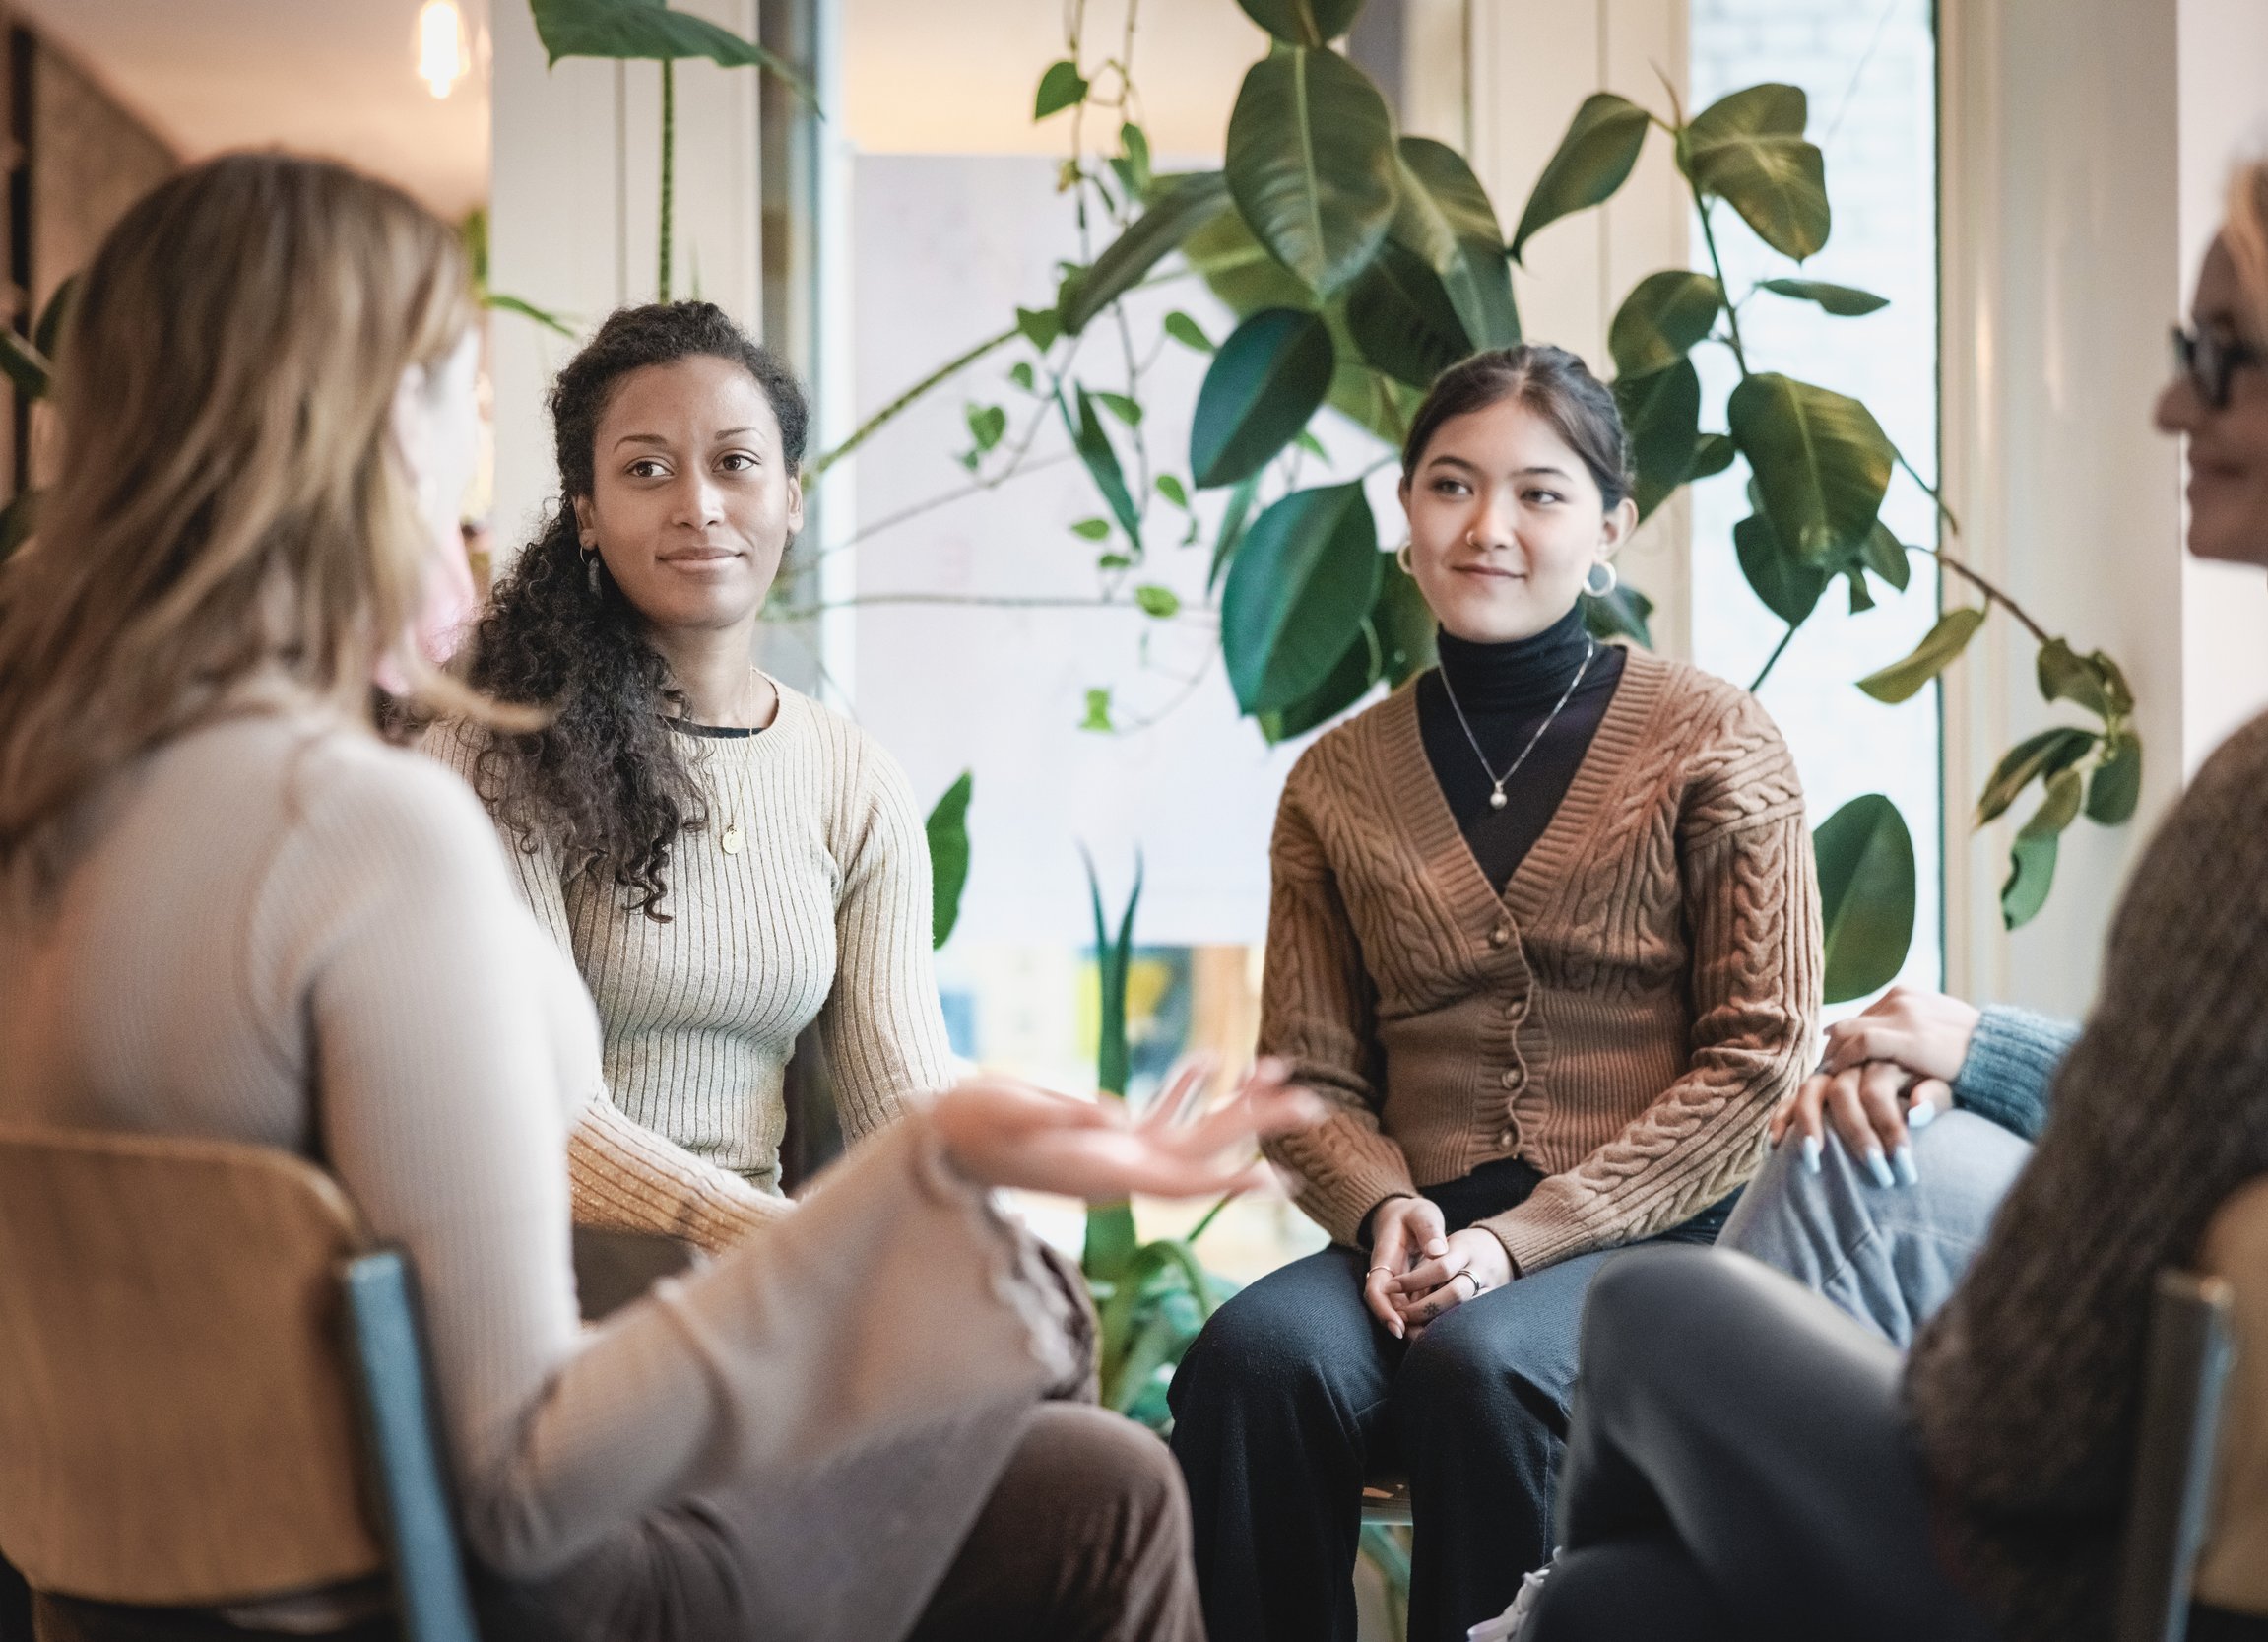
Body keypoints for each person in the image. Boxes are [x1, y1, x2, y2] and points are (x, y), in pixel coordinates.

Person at [0, 151, 1322, 1642]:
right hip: (488, 1581)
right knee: (1041, 1344)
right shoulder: (373, 830)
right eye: (459, 398)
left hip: (143, 1590)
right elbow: (524, 1482)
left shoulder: (58, 805)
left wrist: (912, 1160)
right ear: (366, 435)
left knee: (1092, 1484)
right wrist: (920, 1192)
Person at [1524, 107, 2268, 1642]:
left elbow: (2029, 1412)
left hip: (2145, 1576)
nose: (2171, 403)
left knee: (1651, 1308)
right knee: (1625, 1607)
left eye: (2230, 360)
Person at [1168, 345, 1823, 1642]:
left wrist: (1523, 1238)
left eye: (1539, 493)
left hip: (1656, 1239)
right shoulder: (1337, 780)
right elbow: (1305, 1076)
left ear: (1608, 530)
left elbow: (1761, 1054)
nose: (1490, 527)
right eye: (1452, 486)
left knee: (1484, 1368)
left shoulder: (1715, 735)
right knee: (1252, 1363)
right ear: (1404, 518)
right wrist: (1387, 1205)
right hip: (1414, 1236)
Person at [422, 301, 946, 1259]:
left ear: (791, 495)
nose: (698, 503)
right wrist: (785, 1251)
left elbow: (905, 1107)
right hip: (541, 1272)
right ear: (585, 511)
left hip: (759, 1273)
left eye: (735, 462)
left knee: (1063, 1406)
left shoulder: (851, 778)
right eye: (646, 469)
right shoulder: (496, 757)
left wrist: (990, 1229)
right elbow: (543, 1114)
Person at [1715, 571, 2268, 1348]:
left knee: (1849, 1182)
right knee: (1862, 1139)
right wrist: (1946, 1075)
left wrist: (1990, 1055)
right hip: (2256, 1248)